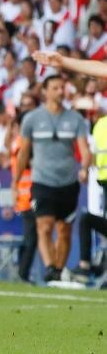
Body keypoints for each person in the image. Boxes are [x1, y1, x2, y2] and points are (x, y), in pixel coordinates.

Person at [14, 75, 91, 282]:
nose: (59, 91)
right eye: (55, 88)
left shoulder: (75, 119)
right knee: (45, 225)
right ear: (45, 92)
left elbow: (85, 150)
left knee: (64, 231)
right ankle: (50, 268)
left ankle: (58, 269)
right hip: (42, 181)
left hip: (67, 182)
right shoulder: (32, 119)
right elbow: (23, 154)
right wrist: (15, 183)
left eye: (62, 88)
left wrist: (84, 167)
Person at [75, 112, 107, 282]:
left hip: (103, 181)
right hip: (104, 183)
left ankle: (86, 267)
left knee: (87, 220)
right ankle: (86, 268)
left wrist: (85, 169)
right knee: (86, 220)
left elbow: (93, 155)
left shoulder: (100, 124)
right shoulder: (100, 124)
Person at [9, 113, 37, 283]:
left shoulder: (16, 143)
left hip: (24, 195)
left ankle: (22, 271)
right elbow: (28, 163)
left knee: (30, 237)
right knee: (31, 238)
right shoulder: (22, 144)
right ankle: (23, 274)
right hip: (28, 196)